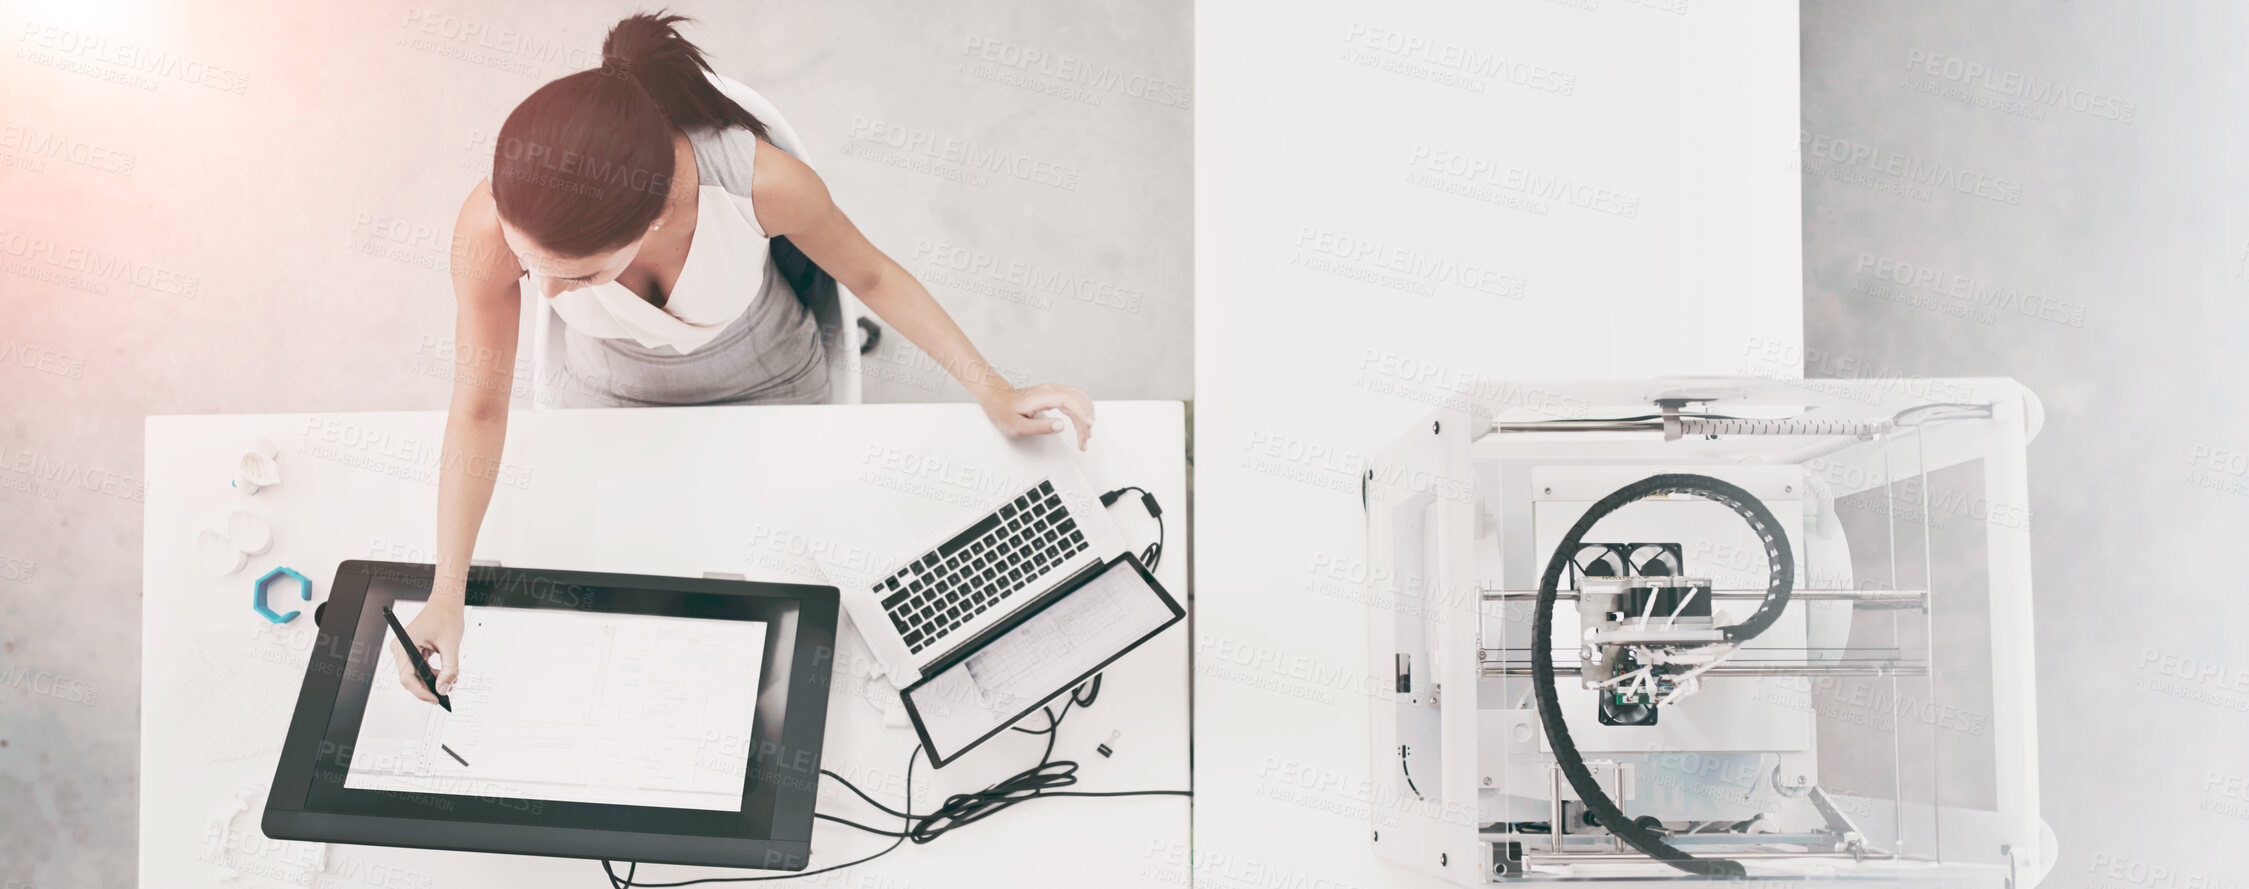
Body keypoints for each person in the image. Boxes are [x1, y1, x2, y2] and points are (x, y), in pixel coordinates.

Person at [392, 12, 1094, 703]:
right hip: (610, 390)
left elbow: (872, 275)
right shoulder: (488, 231)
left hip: (769, 371)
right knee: (625, 589)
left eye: (577, 276)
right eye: (527, 264)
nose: (541, 292)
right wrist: (446, 590)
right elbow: (479, 405)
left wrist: (994, 389)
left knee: (795, 589)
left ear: (656, 215)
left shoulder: (760, 184)